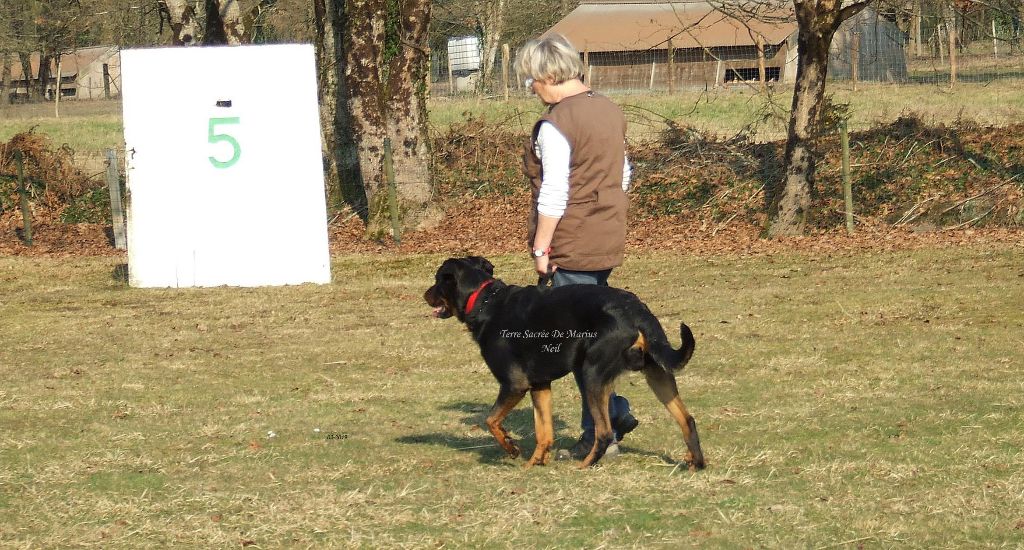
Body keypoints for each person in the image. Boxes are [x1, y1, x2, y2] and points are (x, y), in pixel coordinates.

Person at [516, 33, 638, 459]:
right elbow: (624, 173)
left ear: (548, 75)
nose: (532, 89)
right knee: (595, 331)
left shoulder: (556, 123)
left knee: (580, 343)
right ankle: (613, 414)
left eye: (531, 80)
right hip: (607, 232)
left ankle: (600, 434)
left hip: (573, 240)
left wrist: (541, 248)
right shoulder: (608, 108)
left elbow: (554, 191)